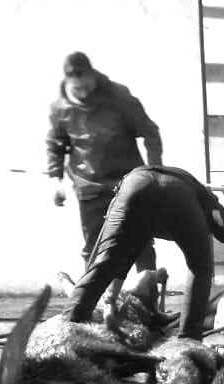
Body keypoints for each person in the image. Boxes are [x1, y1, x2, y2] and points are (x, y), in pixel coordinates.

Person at [63, 165, 224, 342]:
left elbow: (120, 257)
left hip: (134, 186)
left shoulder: (146, 217)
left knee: (104, 261)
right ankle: (188, 339)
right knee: (200, 268)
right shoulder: (209, 207)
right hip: (178, 196)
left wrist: (111, 299)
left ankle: (69, 327)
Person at [46, 51, 163, 269]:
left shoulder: (119, 97)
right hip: (89, 187)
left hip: (128, 183)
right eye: (77, 89)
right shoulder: (59, 109)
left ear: (93, 76)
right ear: (68, 83)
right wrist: (56, 181)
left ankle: (148, 287)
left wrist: (153, 173)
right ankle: (94, 290)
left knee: (140, 242)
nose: (83, 93)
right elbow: (55, 145)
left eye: (87, 87)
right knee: (95, 249)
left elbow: (150, 133)